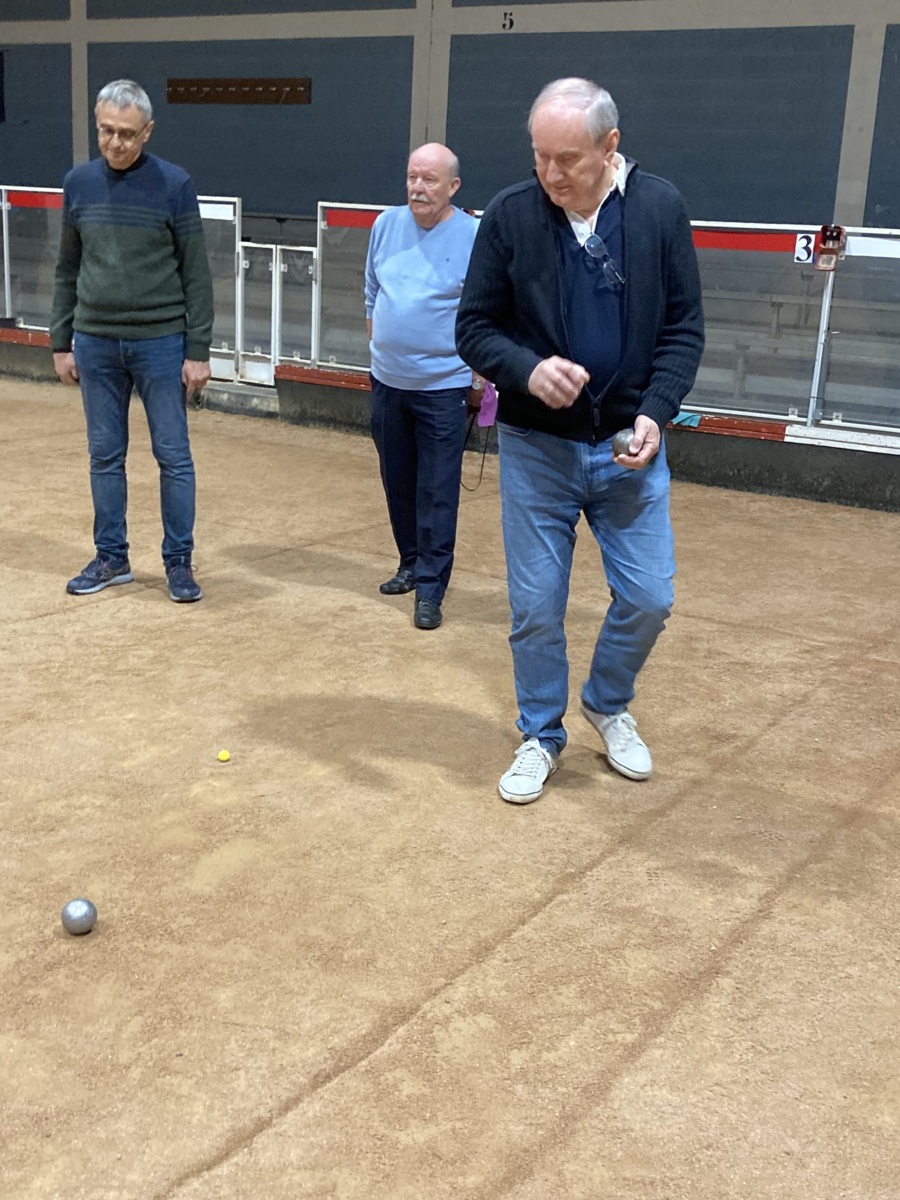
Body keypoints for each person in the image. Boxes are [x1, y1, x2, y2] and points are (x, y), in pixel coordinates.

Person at [456, 78, 704, 802]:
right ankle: (540, 733)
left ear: (610, 146)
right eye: (539, 156)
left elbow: (684, 329)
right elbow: (474, 328)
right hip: (537, 448)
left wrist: (656, 411)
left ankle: (606, 700)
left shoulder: (659, 208)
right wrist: (528, 371)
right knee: (536, 608)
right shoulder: (510, 215)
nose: (550, 173)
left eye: (566, 158)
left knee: (650, 597)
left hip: (630, 446)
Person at [51, 79, 214, 603]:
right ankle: (111, 557)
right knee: (104, 455)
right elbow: (66, 268)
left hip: (161, 341)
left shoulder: (174, 184)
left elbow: (196, 273)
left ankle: (178, 562)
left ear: (147, 132)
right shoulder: (78, 183)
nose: (115, 142)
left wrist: (198, 350)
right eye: (106, 131)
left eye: (127, 133)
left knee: (174, 455)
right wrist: (60, 342)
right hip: (94, 341)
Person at [365, 142, 482, 630]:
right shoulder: (385, 224)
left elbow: (485, 312)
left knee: (437, 490)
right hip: (387, 382)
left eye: (429, 179)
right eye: (413, 176)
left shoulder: (473, 235)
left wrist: (479, 378)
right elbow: (372, 291)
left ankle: (432, 588)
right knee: (398, 480)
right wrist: (382, 347)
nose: (418, 187)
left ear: (453, 186)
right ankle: (410, 562)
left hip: (444, 386)